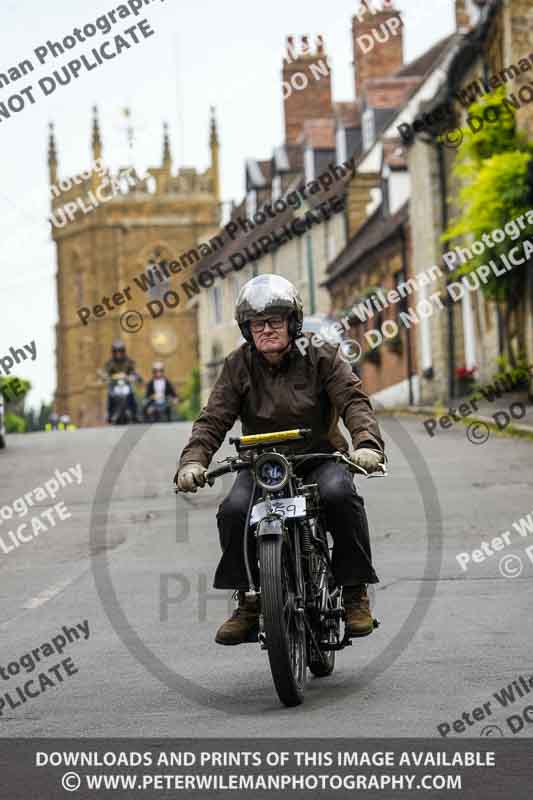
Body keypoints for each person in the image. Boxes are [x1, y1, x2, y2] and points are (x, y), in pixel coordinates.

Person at [175, 275, 385, 646]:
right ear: (247, 329)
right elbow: (213, 419)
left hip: (319, 456)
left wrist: (366, 444)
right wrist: (193, 461)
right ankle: (250, 601)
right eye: (258, 323)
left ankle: (354, 594)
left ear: (293, 322)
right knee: (234, 511)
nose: (267, 329)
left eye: (275, 320)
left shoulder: (320, 354)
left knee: (340, 497)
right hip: (263, 463)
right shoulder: (237, 365)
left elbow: (353, 400)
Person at [104, 339, 139, 422]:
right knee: (110, 394)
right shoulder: (110, 363)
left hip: (126, 384)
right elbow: (105, 372)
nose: (118, 354)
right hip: (115, 385)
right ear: (113, 352)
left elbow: (134, 371)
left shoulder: (129, 361)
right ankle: (110, 413)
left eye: (120, 351)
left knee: (133, 393)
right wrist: (106, 377)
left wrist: (134, 376)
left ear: (123, 351)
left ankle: (135, 413)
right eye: (116, 351)